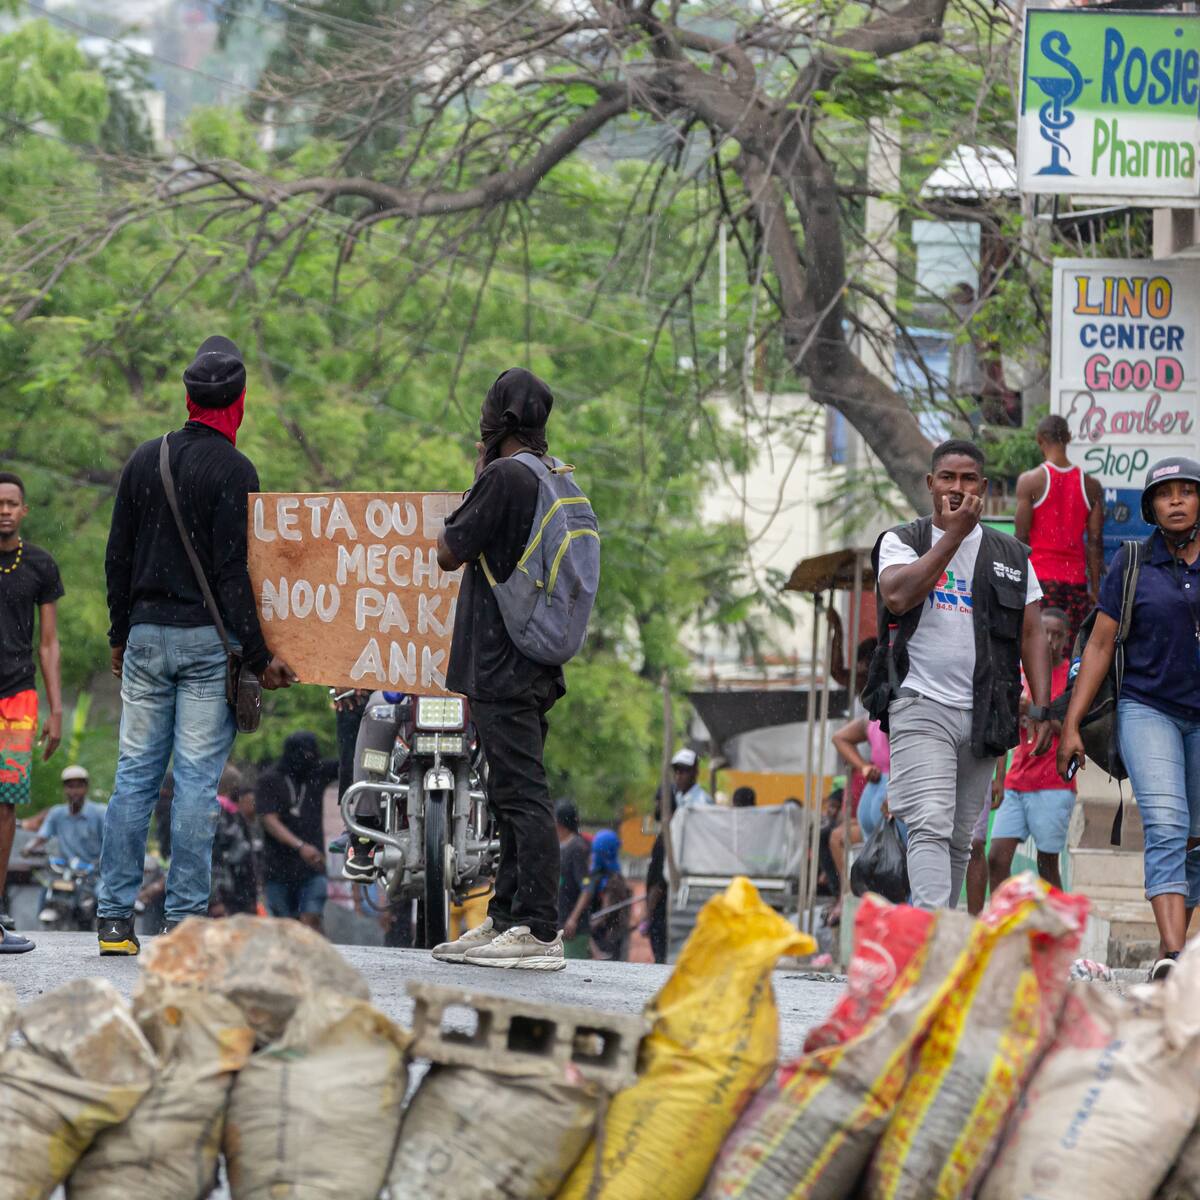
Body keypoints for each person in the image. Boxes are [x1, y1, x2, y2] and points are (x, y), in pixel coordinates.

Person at [98, 335, 296, 956]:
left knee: (133, 777)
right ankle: (184, 925)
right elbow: (234, 574)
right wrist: (260, 658)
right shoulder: (236, 472)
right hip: (209, 646)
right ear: (238, 404)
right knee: (193, 786)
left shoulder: (142, 460)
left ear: (187, 398)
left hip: (147, 639)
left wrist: (119, 634)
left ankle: (112, 920)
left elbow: (117, 558)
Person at [866, 439, 1052, 911]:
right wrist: (952, 535)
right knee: (928, 820)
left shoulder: (1011, 555)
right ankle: (932, 935)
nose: (957, 487)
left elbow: (1032, 632)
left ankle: (942, 942)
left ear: (984, 488)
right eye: (947, 477)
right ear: (930, 484)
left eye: (969, 479)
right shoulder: (901, 542)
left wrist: (1044, 707)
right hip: (919, 701)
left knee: (959, 838)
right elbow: (897, 596)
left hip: (986, 711)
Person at [431, 368, 567, 970]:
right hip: (533, 658)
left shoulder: (505, 478)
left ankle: (537, 928)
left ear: (499, 423)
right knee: (510, 793)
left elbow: (447, 550)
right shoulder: (549, 475)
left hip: (501, 662)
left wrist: (478, 474)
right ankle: (507, 916)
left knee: (522, 795)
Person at [1060, 457, 1200, 982]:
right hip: (1149, 710)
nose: (1179, 501)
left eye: (1188, 491)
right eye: (1167, 494)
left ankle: (1179, 951)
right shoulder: (1133, 562)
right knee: (1166, 823)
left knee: (1195, 837)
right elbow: (1098, 644)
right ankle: (1171, 954)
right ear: (1152, 507)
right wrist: (1072, 724)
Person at [0, 471, 63, 954]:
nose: (4, 509)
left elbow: (48, 643)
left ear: (24, 511)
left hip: (18, 699)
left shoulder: (40, 565)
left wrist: (56, 709)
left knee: (6, 805)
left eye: (11, 503)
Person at [988, 607, 1076, 895]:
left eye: (1057, 635)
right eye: (1045, 633)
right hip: (1017, 780)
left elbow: (1071, 730)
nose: (1050, 641)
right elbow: (1007, 726)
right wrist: (999, 776)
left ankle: (1060, 932)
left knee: (1047, 864)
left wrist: (1035, 710)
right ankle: (1000, 926)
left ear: (1066, 640)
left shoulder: (1072, 678)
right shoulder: (1023, 672)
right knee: (997, 858)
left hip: (1053, 782)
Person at [1015, 415, 1104, 642]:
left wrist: (1016, 581)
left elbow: (1021, 537)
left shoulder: (1031, 481)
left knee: (1038, 648)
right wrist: (1095, 588)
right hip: (1075, 583)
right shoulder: (1091, 486)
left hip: (1040, 581)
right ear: (1069, 438)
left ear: (1039, 440)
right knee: (1070, 648)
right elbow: (1095, 542)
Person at [256, 732, 338, 933]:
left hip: (313, 867)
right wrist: (300, 846)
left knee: (311, 918)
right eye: (304, 755)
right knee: (283, 927)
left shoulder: (316, 773)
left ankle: (316, 960)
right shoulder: (270, 780)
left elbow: (349, 761)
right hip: (278, 868)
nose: (308, 759)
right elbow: (269, 820)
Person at [564, 829, 631, 961]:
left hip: (605, 938)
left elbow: (606, 912)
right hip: (608, 936)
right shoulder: (611, 876)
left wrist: (584, 925)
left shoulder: (608, 880)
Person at [27, 765, 105, 865]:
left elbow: (111, 845)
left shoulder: (100, 813)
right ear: (64, 789)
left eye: (79, 786)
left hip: (95, 872)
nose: (74, 791)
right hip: (66, 870)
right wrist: (28, 848)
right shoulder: (57, 813)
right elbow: (41, 837)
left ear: (86, 788)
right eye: (70, 786)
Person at [209, 765, 258, 918]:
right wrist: (215, 900)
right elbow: (214, 859)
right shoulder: (220, 815)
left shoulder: (232, 814)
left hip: (237, 893)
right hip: (227, 894)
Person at [556, 799, 591, 960]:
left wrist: (573, 919)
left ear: (559, 822)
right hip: (559, 924)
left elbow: (586, 888)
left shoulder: (577, 847)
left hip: (574, 929)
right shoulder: (560, 846)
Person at [641, 786, 670, 964]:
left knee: (662, 961)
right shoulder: (669, 835)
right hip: (665, 912)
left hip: (661, 913)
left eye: (658, 802)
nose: (656, 806)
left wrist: (648, 914)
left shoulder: (665, 839)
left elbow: (659, 883)